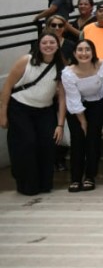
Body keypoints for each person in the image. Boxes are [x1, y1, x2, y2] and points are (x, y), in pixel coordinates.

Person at [0, 32, 66, 195]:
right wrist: (3, 114)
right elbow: (8, 87)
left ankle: (44, 184)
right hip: (20, 108)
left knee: (47, 144)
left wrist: (60, 124)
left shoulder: (61, 65)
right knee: (26, 144)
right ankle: (27, 185)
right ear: (38, 45)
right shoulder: (26, 61)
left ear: (58, 45)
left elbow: (63, 97)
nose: (48, 45)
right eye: (45, 43)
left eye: (52, 42)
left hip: (45, 110)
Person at [62, 39, 103, 192]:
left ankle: (90, 177)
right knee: (78, 139)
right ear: (74, 53)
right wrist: (83, 121)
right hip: (77, 107)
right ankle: (75, 178)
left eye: (87, 50)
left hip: (98, 102)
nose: (84, 53)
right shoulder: (68, 73)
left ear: (93, 52)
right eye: (80, 50)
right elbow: (73, 99)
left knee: (93, 137)